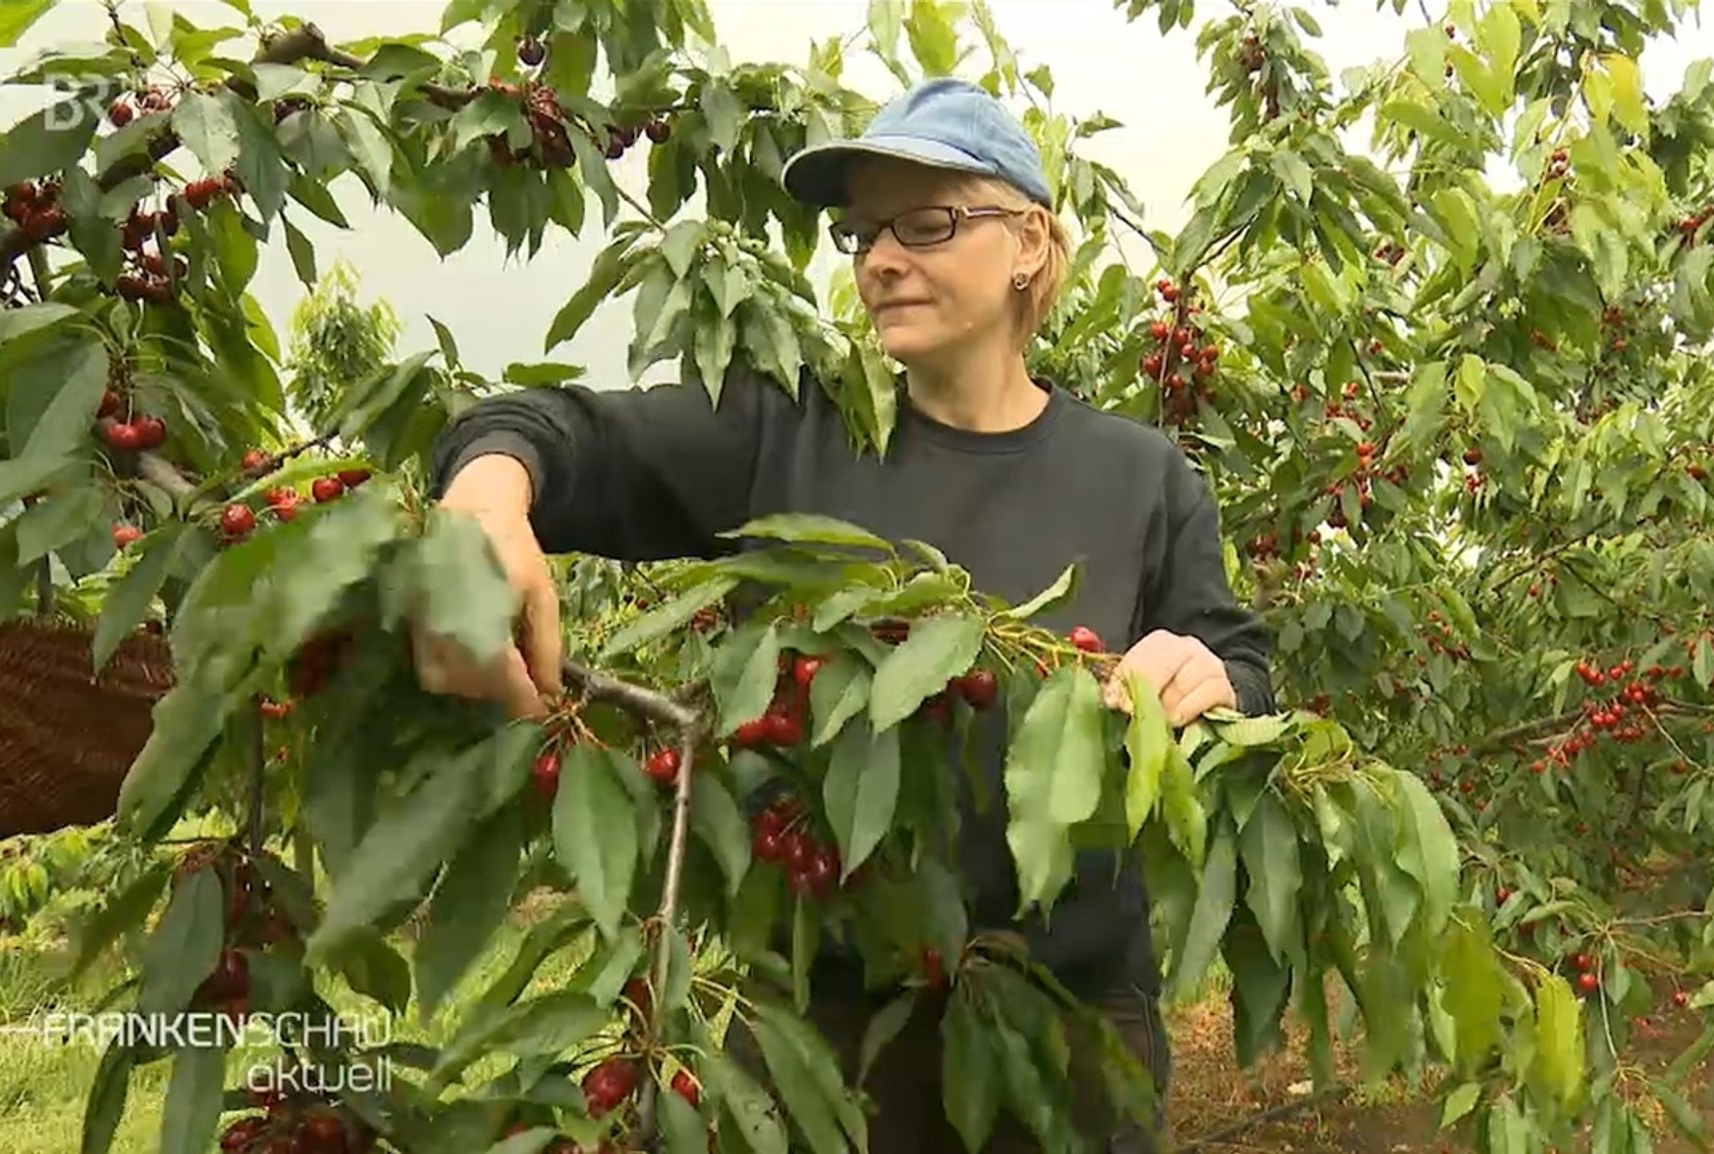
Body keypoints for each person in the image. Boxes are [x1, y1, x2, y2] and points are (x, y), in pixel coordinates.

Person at [418, 77, 1275, 1153]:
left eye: (927, 222)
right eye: (862, 230)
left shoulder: (1140, 476)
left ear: (1027, 244)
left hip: (1070, 1028)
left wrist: (1213, 679)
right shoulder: (786, 431)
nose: (878, 258)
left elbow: (1238, 661)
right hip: (816, 1024)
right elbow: (547, 428)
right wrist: (488, 494)